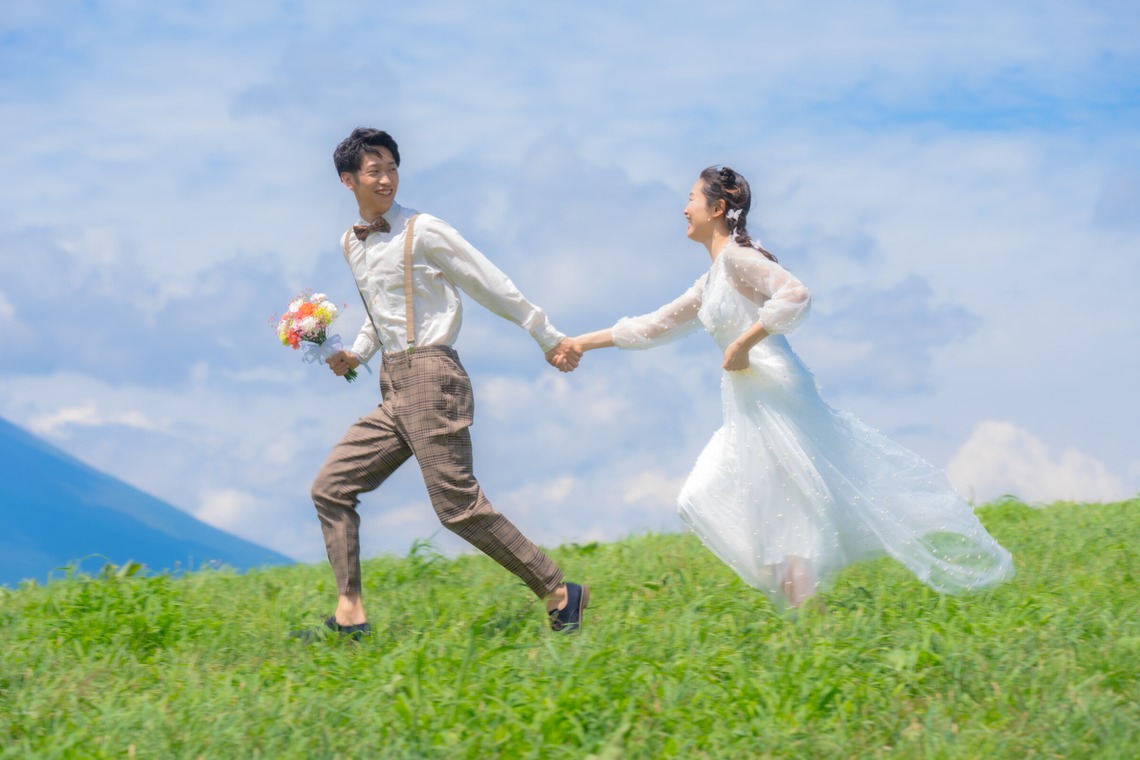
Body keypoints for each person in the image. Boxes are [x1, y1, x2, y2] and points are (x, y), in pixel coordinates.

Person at [572, 166, 1014, 609]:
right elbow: (653, 326)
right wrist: (578, 343)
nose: (683, 208)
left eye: (690, 198)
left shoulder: (740, 259)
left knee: (785, 523)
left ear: (718, 208)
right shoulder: (711, 280)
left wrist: (744, 344)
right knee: (703, 500)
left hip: (775, 393)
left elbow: (795, 293)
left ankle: (813, 625)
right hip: (747, 403)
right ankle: (808, 612)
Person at [299, 128, 588, 639]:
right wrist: (354, 355)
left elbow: (489, 281)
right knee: (331, 488)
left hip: (433, 375)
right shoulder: (352, 243)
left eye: (391, 168)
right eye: (374, 171)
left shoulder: (424, 229)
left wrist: (547, 335)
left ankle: (561, 593)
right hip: (392, 383)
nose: (386, 178)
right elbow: (379, 313)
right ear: (348, 181)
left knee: (457, 507)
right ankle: (350, 613)